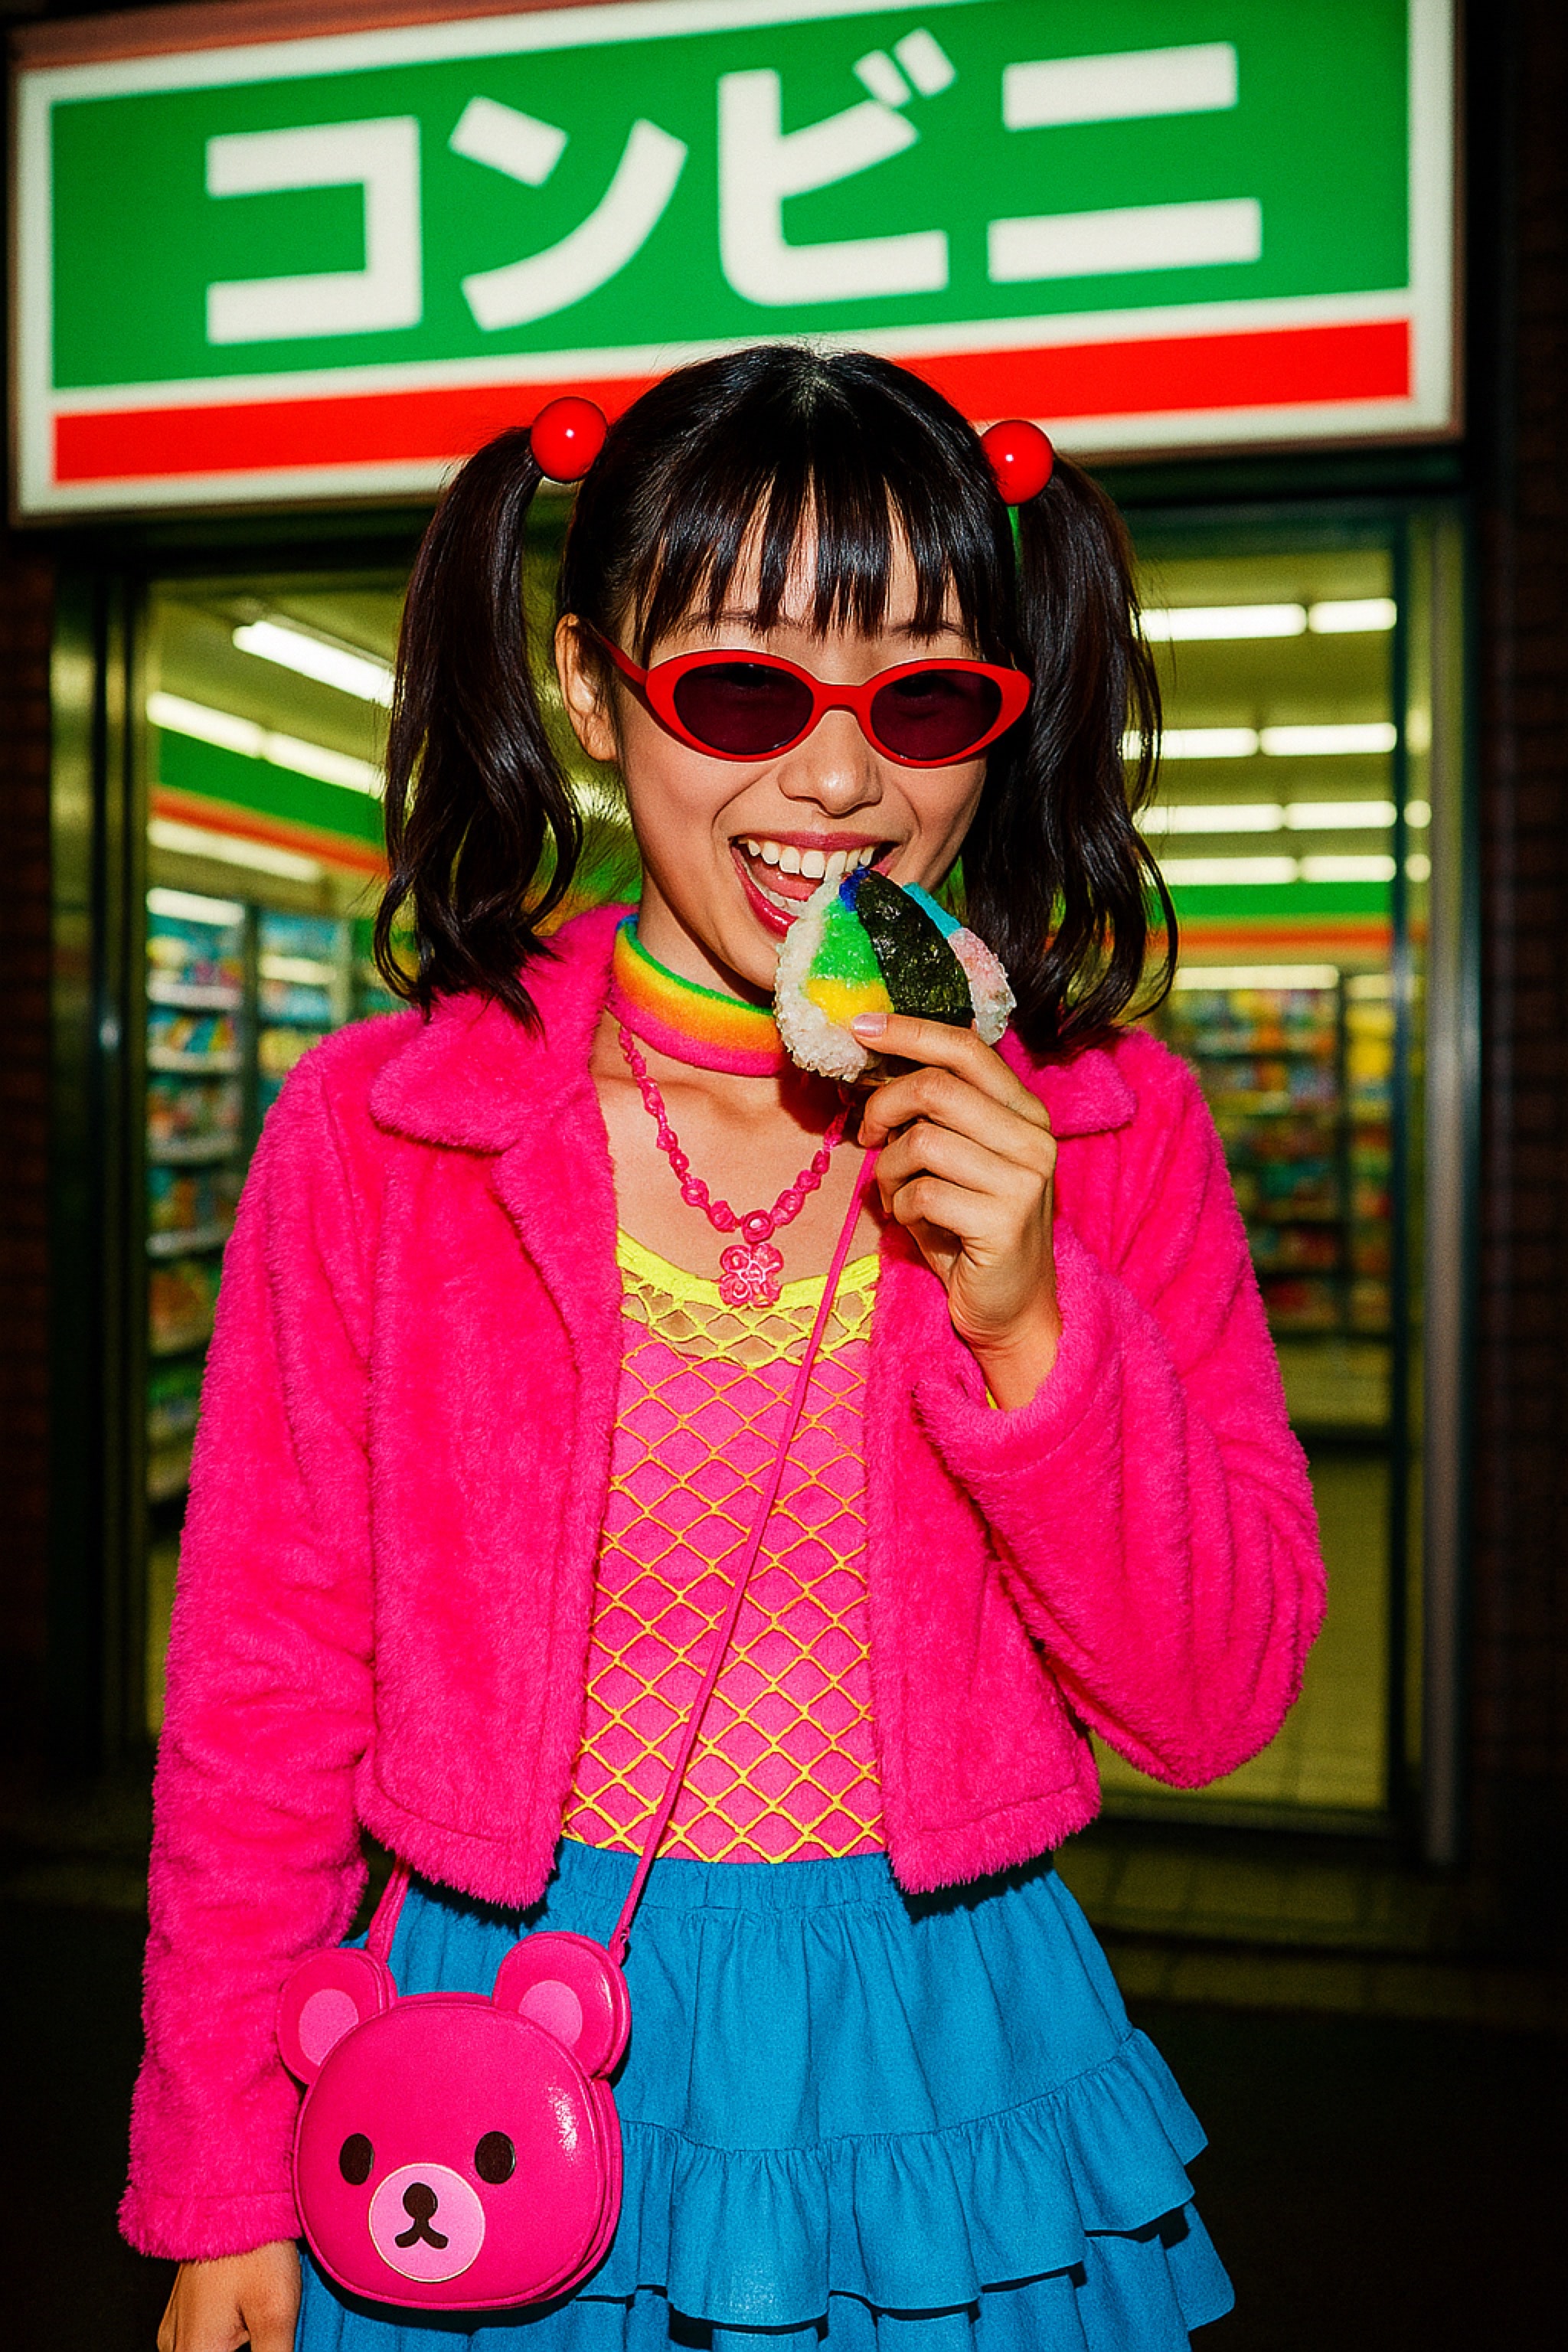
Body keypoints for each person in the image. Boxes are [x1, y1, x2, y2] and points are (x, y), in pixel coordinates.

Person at [126, 345, 1323, 2352]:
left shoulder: (1109, 1136)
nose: (841, 780)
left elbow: (1215, 1700)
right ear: (598, 690)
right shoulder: (385, 1132)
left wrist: (1035, 1324)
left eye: (927, 696)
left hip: (932, 2050)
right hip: (471, 2044)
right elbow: (262, 1690)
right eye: (744, 689)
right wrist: (222, 2166)